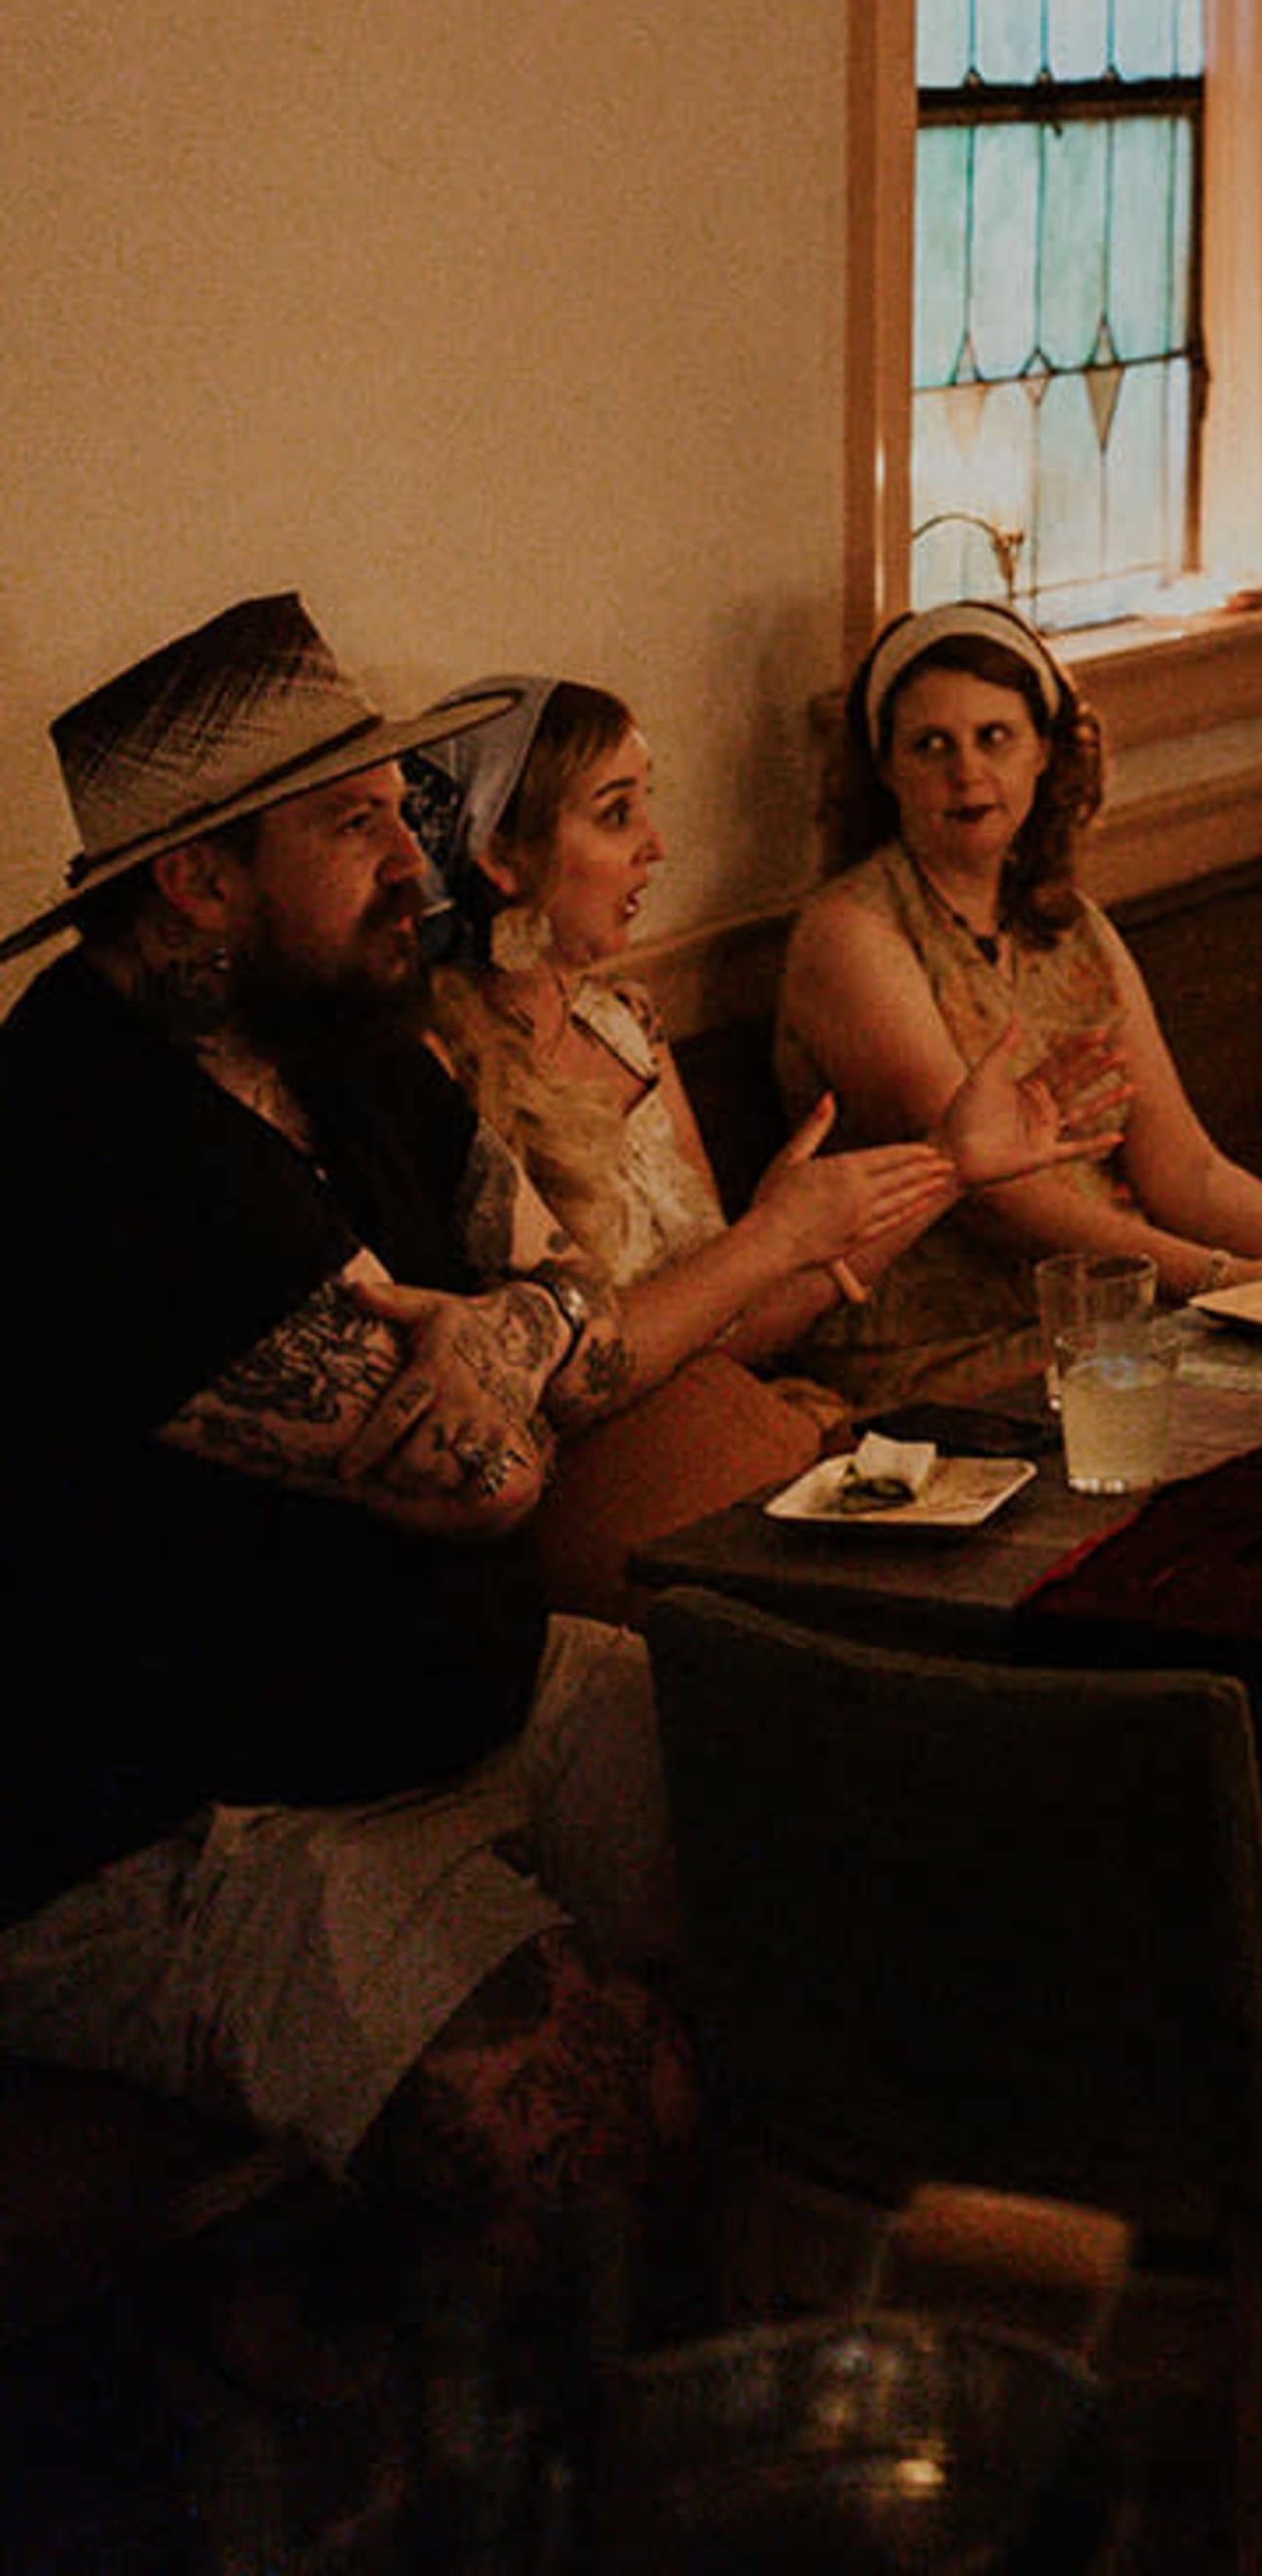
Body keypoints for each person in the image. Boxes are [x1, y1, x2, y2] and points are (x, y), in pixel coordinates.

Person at [0, 597, 692, 2332]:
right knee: (598, 2115)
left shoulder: (356, 1036)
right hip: (182, 1824)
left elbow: (587, 1330)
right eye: (354, 819)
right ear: (195, 880)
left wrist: (496, 1320)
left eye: (401, 801)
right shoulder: (92, 1141)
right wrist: (517, 1332)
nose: (413, 850)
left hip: (465, 1697)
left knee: (836, 1830)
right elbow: (488, 1481)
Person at [427, 675, 1026, 1594]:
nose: (655, 848)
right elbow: (572, 1380)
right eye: (616, 815)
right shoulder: (443, 1066)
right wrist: (772, 1237)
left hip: (749, 1443)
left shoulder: (625, 1021)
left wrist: (954, 1165)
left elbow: (728, 1325)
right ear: (501, 854)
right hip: (613, 1512)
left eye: (646, 809)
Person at [775, 598, 1262, 1389]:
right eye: (931, 746)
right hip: (949, 1351)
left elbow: (1185, 1168)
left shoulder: (1071, 926)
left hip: (1113, 1317)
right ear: (886, 770)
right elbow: (994, 1193)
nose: (967, 774)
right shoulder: (851, 933)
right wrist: (1222, 1282)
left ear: (1044, 753)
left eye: (995, 738)